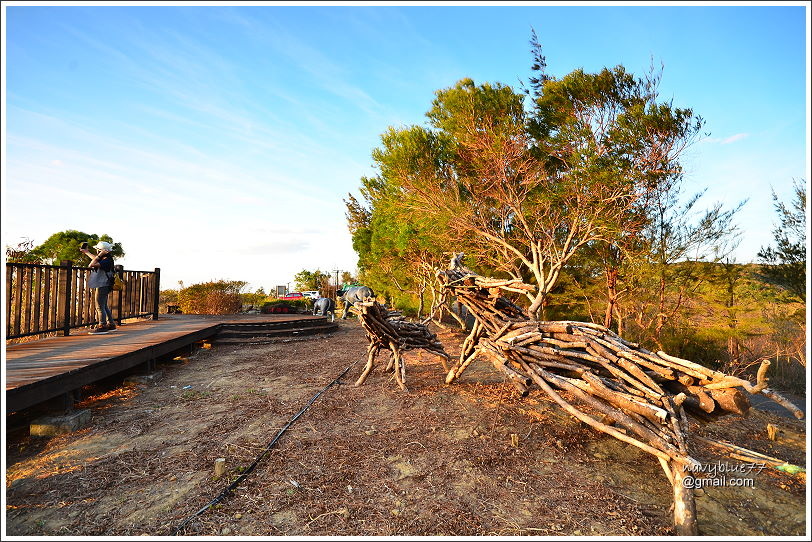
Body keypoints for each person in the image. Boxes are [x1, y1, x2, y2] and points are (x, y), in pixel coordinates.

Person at [80, 241, 116, 334]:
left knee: (99, 306)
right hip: (106, 284)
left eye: (98, 250)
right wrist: (86, 252)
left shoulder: (106, 261)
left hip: (103, 284)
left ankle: (102, 326)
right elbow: (95, 259)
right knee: (103, 305)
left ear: (101, 251)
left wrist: (99, 255)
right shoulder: (106, 259)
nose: (96, 251)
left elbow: (91, 264)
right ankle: (111, 324)